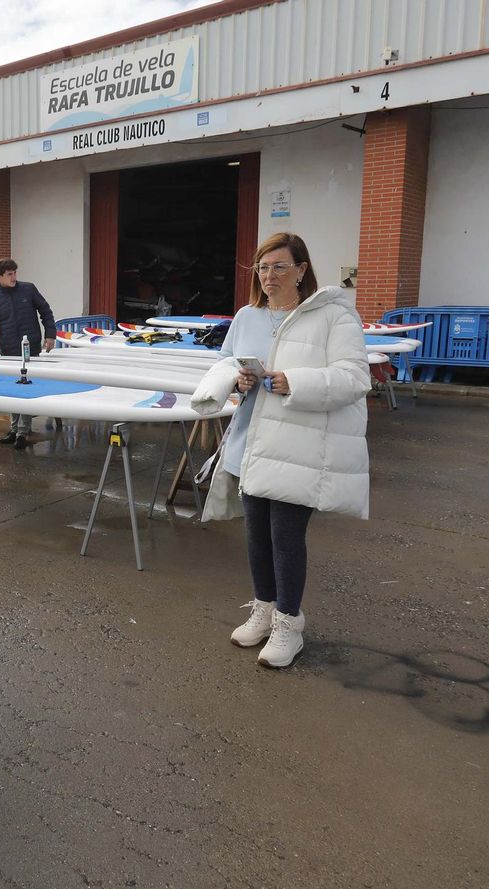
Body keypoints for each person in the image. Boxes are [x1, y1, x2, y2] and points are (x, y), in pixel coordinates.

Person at [189, 232, 371, 668]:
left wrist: (296, 381)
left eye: (279, 267)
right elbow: (226, 364)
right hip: (250, 441)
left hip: (298, 445)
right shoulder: (246, 317)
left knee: (285, 538)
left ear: (302, 270)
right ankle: (264, 608)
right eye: (263, 268)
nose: (269, 276)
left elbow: (355, 377)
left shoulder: (333, 317)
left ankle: (290, 623)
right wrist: (239, 381)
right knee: (256, 536)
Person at [0, 258, 56, 450]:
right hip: (9, 349)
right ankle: (14, 428)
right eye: (9, 274)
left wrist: (50, 335)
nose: (14, 277)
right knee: (13, 391)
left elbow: (45, 311)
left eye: (15, 273)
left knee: (25, 388)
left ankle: (22, 432)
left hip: (30, 347)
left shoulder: (28, 289)